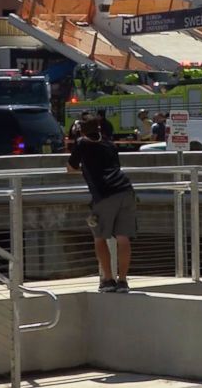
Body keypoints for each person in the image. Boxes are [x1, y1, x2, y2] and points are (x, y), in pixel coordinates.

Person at [67, 117, 137, 293]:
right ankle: (123, 281)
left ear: (82, 131)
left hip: (104, 194)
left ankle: (108, 279)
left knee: (99, 237)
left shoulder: (82, 143)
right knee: (123, 238)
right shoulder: (110, 144)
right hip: (126, 190)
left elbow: (70, 167)